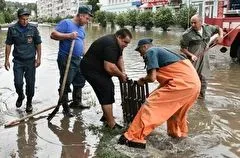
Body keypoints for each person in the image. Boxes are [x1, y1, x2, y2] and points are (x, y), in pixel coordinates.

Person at [118, 38, 201, 149]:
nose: (140, 55)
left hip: (181, 85)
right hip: (194, 85)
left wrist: (142, 80)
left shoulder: (151, 52)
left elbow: (152, 78)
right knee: (176, 114)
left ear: (145, 47)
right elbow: (172, 76)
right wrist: (154, 93)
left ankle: (133, 138)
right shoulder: (163, 51)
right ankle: (178, 137)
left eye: (139, 51)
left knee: (150, 105)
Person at [80, 28, 132, 129]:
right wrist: (121, 76)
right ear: (119, 37)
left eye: (128, 43)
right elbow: (109, 67)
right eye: (125, 42)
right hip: (91, 70)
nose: (126, 45)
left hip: (98, 69)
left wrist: (123, 72)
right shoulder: (111, 44)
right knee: (106, 90)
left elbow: (120, 58)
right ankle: (111, 124)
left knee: (109, 87)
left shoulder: (117, 44)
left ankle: (106, 116)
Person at [50, 5, 93, 117]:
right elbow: (53, 35)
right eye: (87, 18)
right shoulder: (66, 23)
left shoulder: (82, 28)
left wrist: (86, 54)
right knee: (66, 82)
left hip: (78, 59)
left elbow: (82, 42)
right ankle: (65, 108)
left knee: (80, 80)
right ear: (81, 15)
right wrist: (69, 35)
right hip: (66, 58)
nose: (88, 21)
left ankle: (76, 102)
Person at [4, 8, 42, 113]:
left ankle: (29, 102)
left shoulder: (33, 28)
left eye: (27, 19)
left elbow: (38, 43)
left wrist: (39, 58)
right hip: (18, 61)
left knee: (30, 84)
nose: (25, 21)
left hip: (30, 62)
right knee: (18, 83)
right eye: (22, 19)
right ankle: (21, 95)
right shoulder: (12, 29)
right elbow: (8, 44)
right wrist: (6, 59)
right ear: (18, 18)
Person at [180, 14, 223, 99]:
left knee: (204, 77)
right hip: (194, 58)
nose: (192, 25)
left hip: (205, 57)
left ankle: (201, 98)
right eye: (191, 23)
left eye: (195, 23)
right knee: (191, 78)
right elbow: (182, 49)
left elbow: (218, 28)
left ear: (201, 22)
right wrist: (191, 55)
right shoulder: (187, 34)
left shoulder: (208, 28)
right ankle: (188, 98)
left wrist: (221, 36)